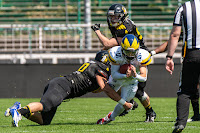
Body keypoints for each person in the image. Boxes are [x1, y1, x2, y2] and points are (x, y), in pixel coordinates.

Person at [4, 51, 133, 127]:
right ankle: (19, 111)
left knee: (45, 121)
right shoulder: (101, 68)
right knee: (46, 105)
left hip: (60, 84)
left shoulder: (94, 66)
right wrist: (124, 102)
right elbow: (105, 88)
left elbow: (95, 89)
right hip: (63, 86)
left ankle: (20, 109)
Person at [91, 3, 156, 122]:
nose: (112, 19)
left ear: (122, 16)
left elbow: (107, 44)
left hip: (136, 57)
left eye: (116, 16)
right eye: (111, 16)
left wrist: (97, 31)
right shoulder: (116, 25)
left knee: (139, 92)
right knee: (114, 84)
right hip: (124, 55)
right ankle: (128, 102)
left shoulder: (125, 28)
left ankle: (150, 111)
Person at [96, 34, 152, 124]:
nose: (130, 55)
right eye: (128, 52)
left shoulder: (143, 55)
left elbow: (144, 78)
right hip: (118, 78)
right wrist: (126, 76)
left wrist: (135, 76)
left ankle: (110, 117)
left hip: (132, 81)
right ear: (122, 49)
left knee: (125, 103)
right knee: (107, 89)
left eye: (133, 52)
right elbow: (114, 74)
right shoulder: (115, 53)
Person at [165, 0, 200, 132]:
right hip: (192, 53)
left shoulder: (184, 8)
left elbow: (175, 34)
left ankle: (180, 123)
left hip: (192, 54)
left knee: (185, 91)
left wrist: (169, 57)